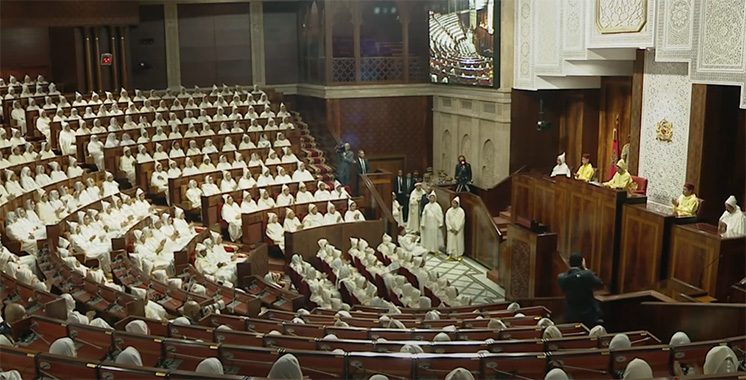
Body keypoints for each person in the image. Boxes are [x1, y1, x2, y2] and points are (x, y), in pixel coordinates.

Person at [558, 253, 603, 327]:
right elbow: (599, 283)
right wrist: (585, 269)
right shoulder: (587, 274)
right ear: (582, 263)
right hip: (588, 314)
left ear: (569, 263)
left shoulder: (561, 277)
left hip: (571, 314)